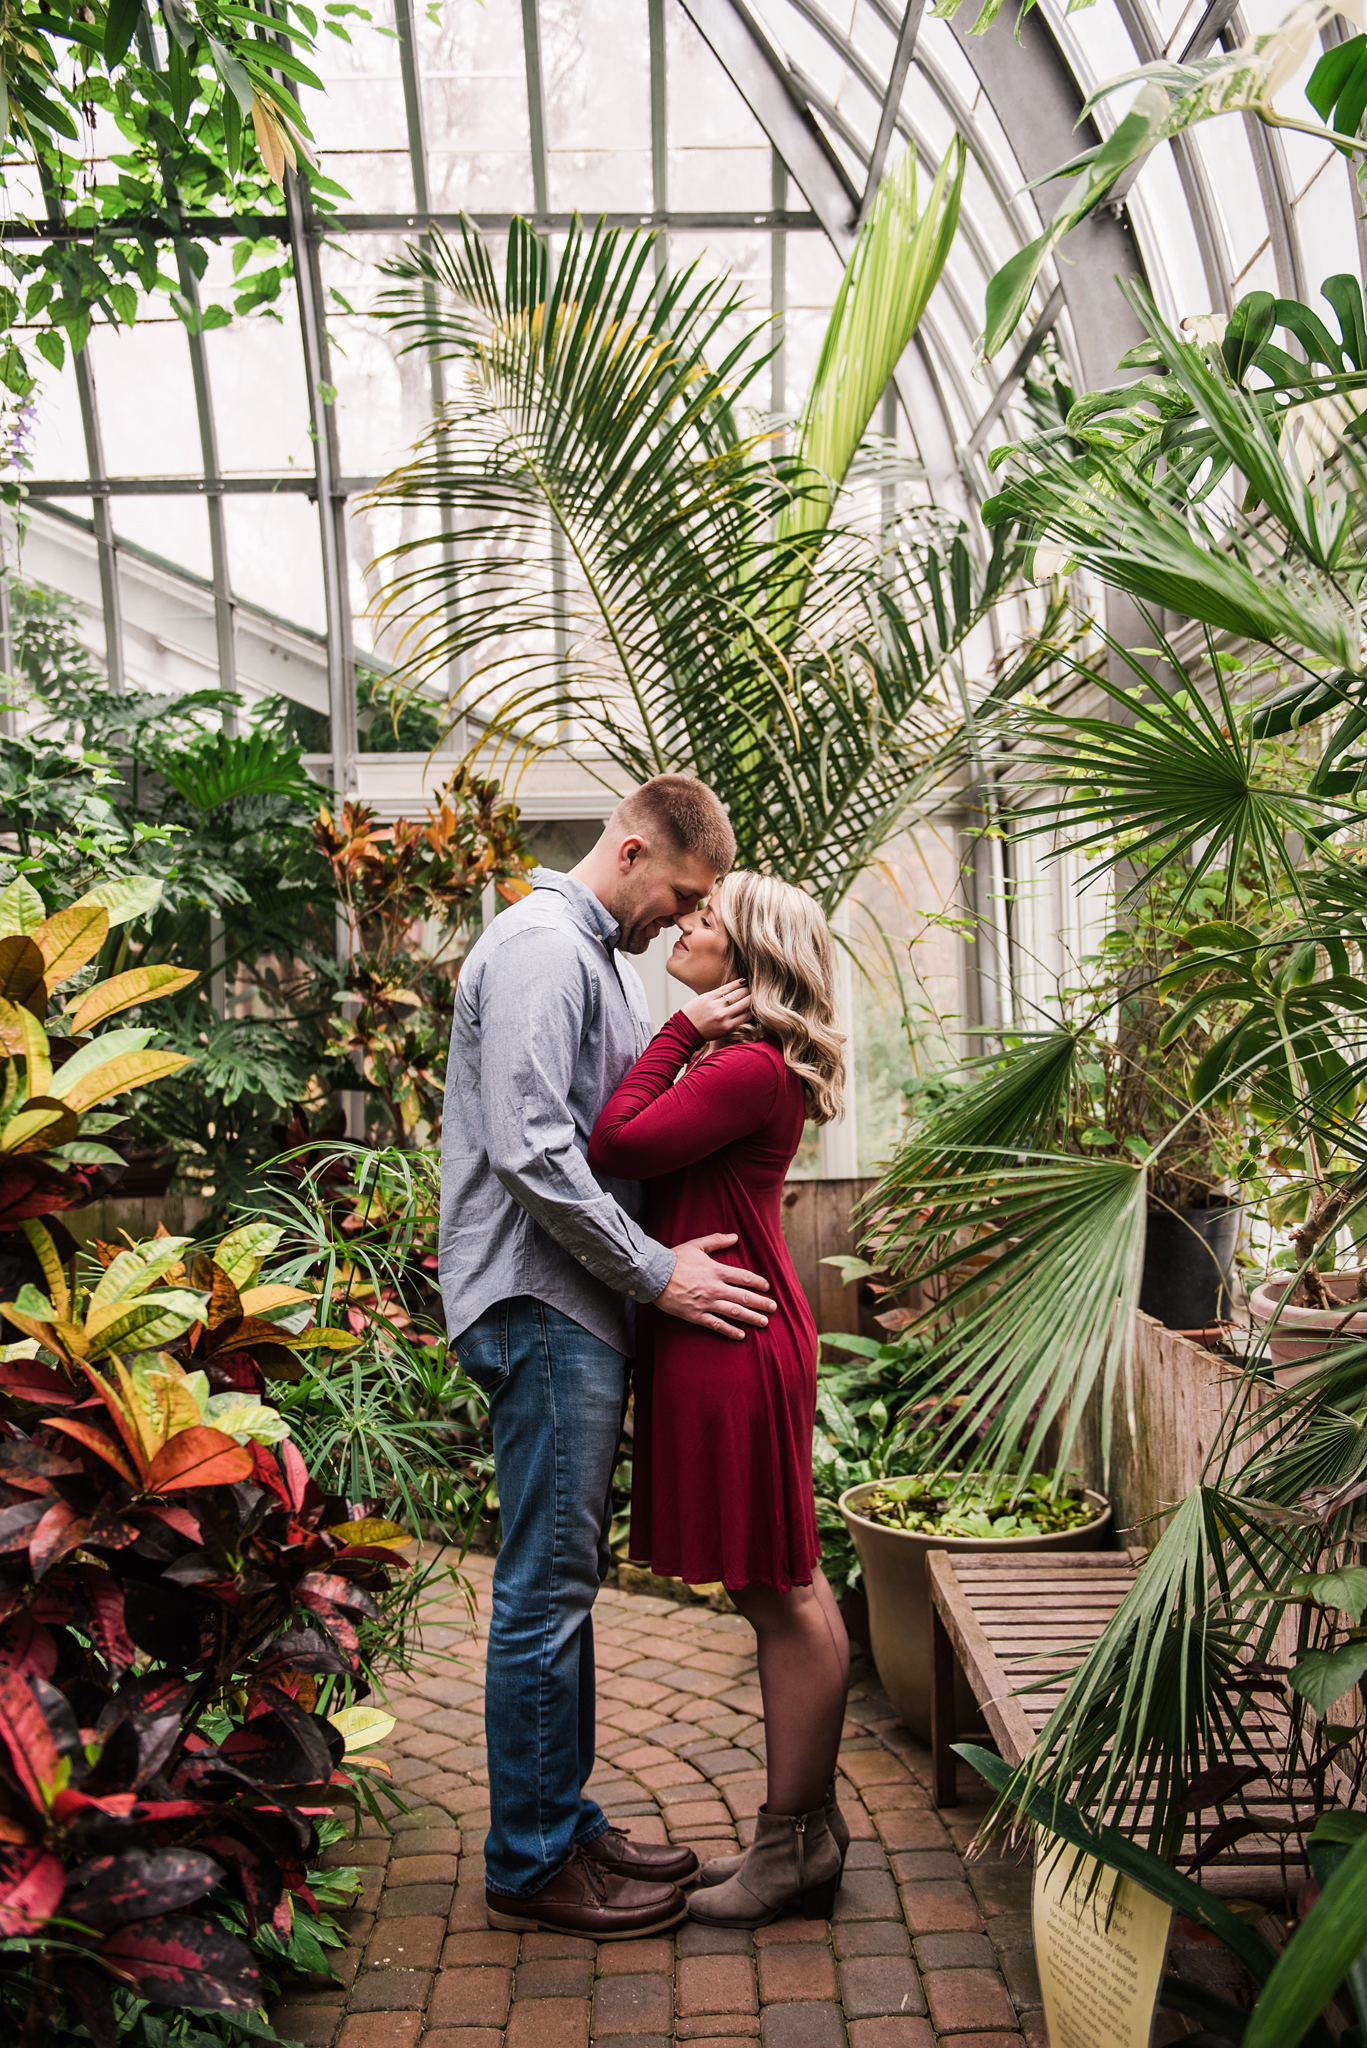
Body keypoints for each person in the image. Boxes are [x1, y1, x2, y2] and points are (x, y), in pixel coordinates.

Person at [440, 775, 779, 1942]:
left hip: (570, 1307)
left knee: (563, 1582)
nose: (676, 920)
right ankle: (530, 1861)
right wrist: (657, 1271)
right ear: (630, 849)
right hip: (544, 1303)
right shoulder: (541, 946)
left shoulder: (590, 955)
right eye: (678, 893)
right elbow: (537, 1150)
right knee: (544, 1586)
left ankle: (562, 1820)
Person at [587, 871, 852, 1931]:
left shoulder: (740, 1062)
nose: (682, 926)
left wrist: (674, 1030)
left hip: (732, 1337)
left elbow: (615, 1143)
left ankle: (790, 1844)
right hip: (729, 1323)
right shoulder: (739, 1059)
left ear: (745, 962)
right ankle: (808, 1834)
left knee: (775, 1587)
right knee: (785, 1581)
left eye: (704, 919)